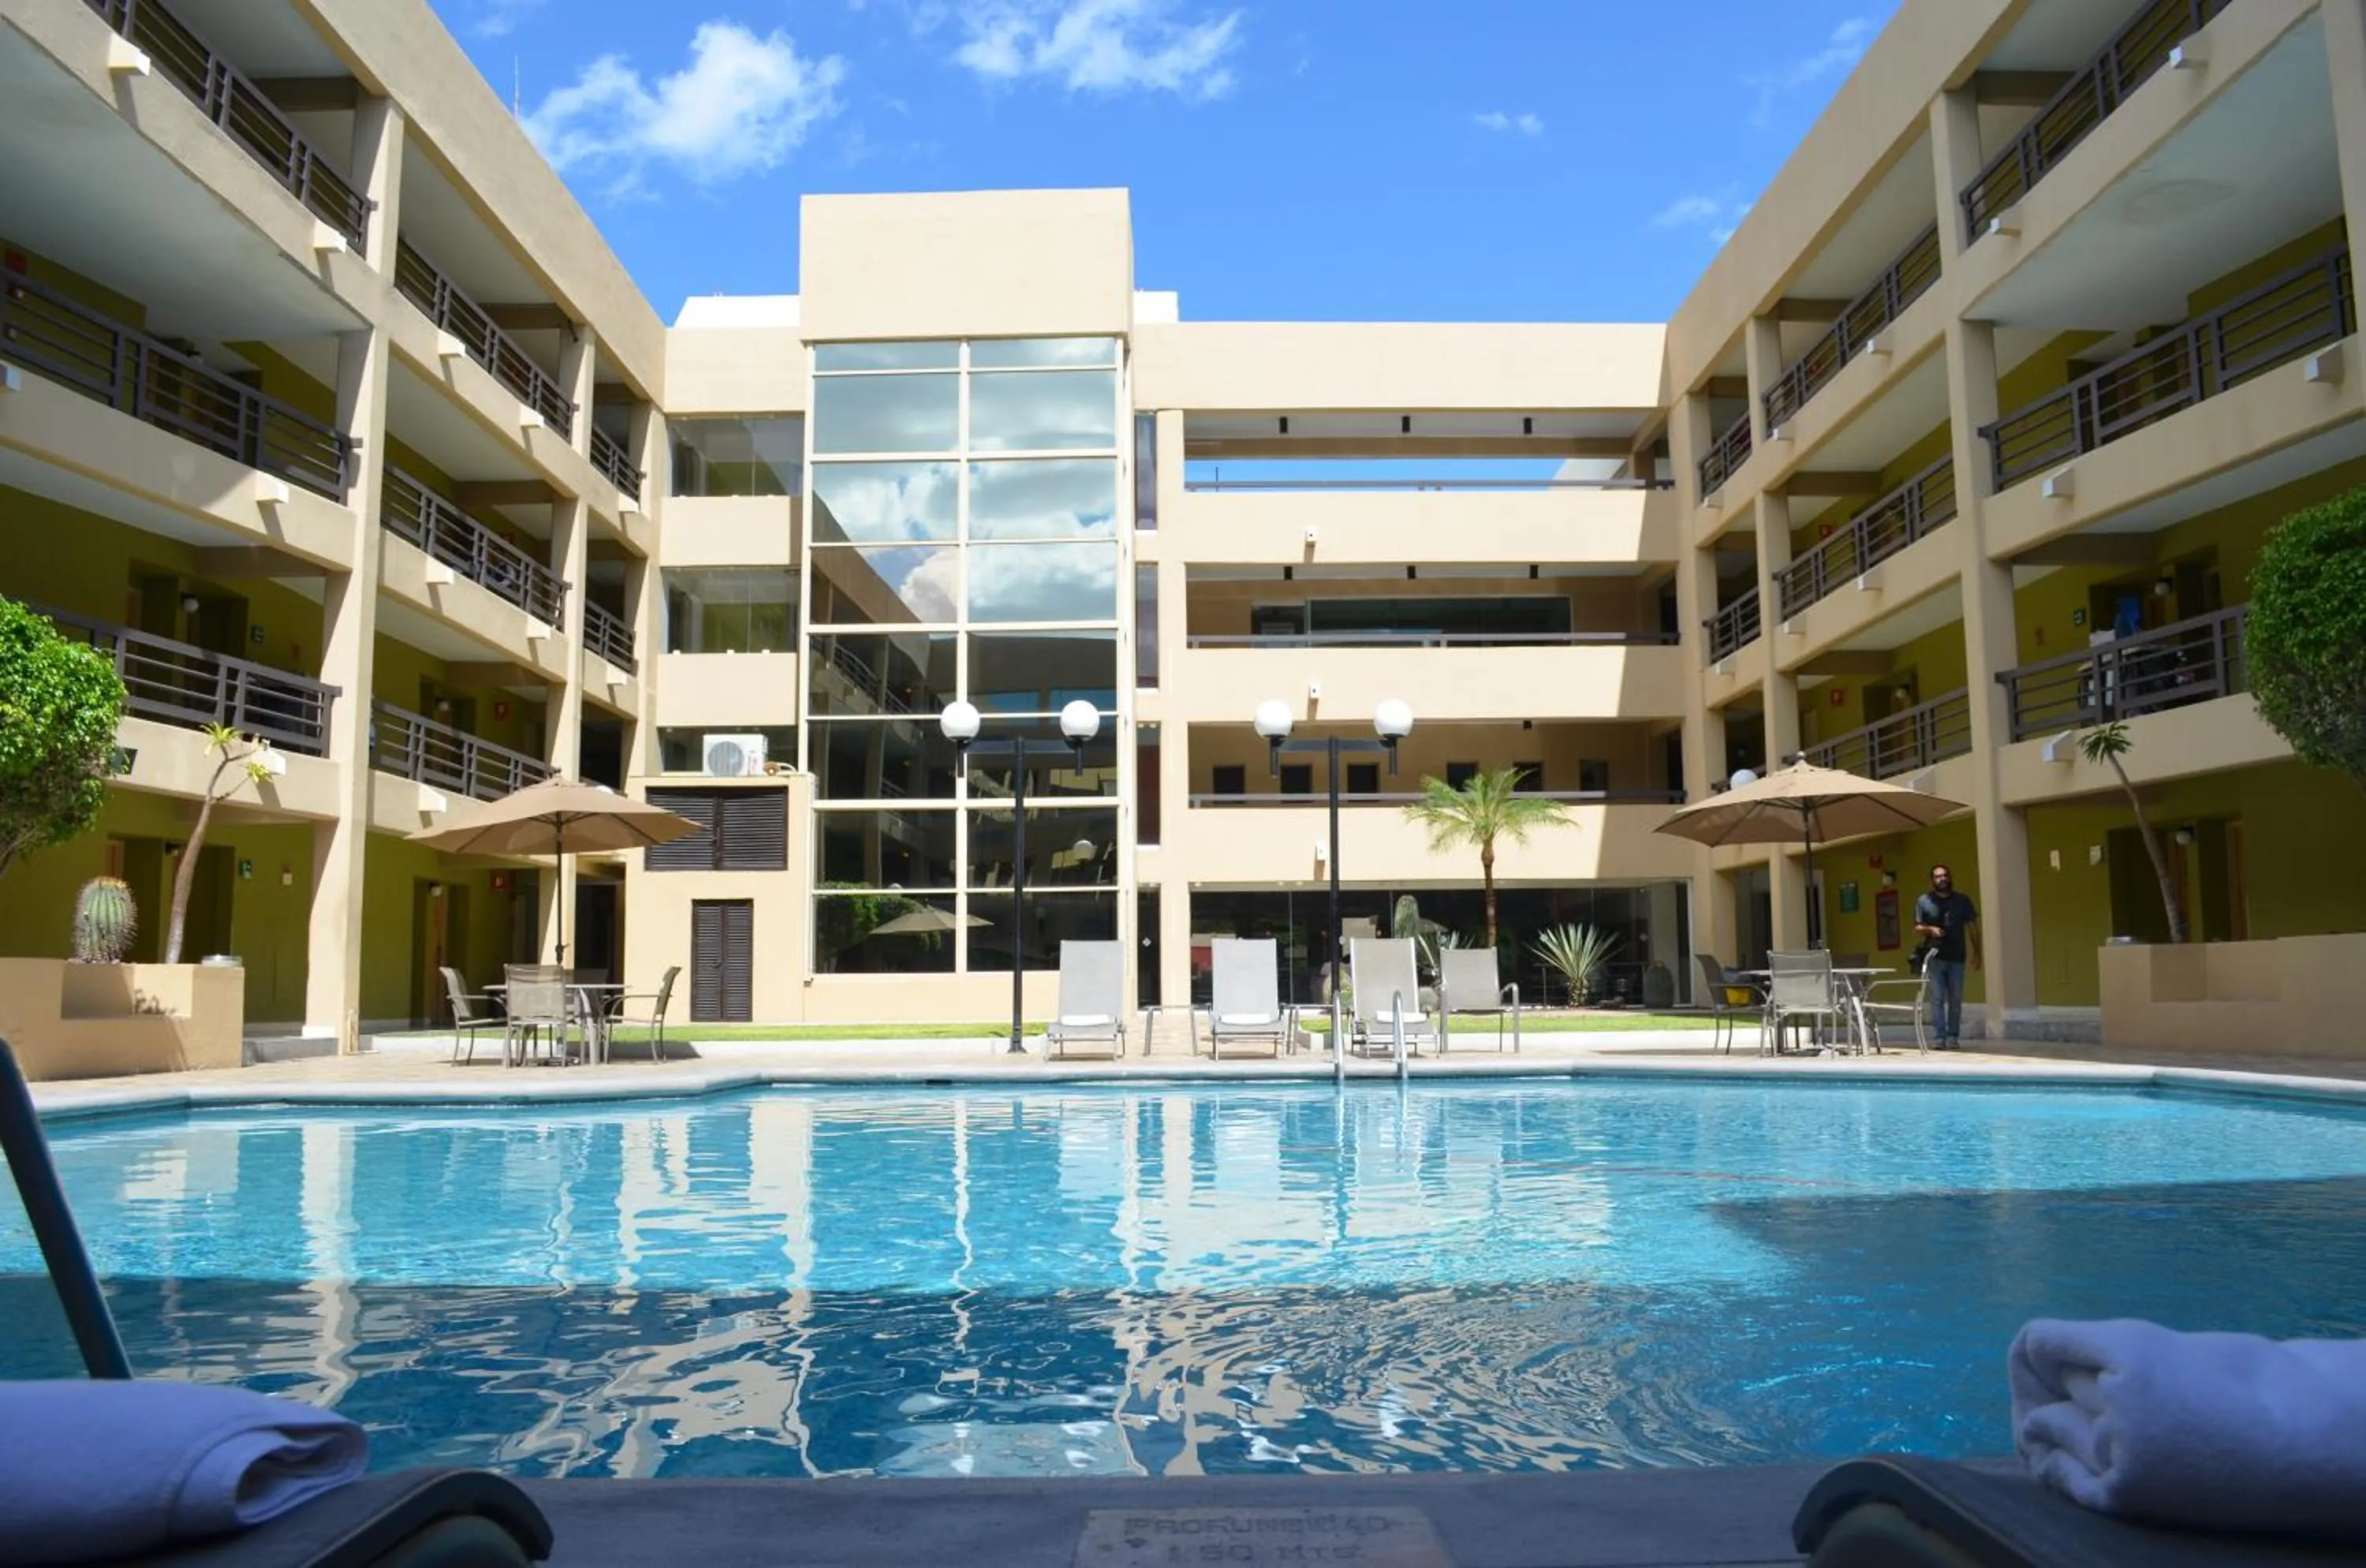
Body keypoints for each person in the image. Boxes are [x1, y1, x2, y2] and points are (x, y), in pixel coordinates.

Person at [1913, 864, 1981, 1049]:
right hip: (1934, 956)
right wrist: (1930, 929)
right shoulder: (1924, 901)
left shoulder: (1962, 900)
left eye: (1944, 876)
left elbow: (1973, 928)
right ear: (1932, 880)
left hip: (1957, 957)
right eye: (1937, 876)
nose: (1941, 879)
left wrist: (1978, 953)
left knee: (1956, 1000)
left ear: (1949, 878)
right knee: (1936, 999)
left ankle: (1953, 1037)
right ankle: (1939, 1038)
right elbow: (1917, 927)